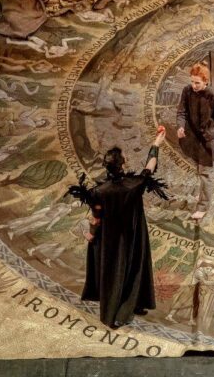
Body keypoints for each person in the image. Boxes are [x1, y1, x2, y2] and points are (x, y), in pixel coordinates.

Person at [68, 126, 168, 329]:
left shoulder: (98, 191)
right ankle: (125, 309)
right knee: (134, 268)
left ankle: (115, 311)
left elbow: (96, 218)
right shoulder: (135, 184)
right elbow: (150, 167)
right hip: (133, 236)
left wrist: (91, 234)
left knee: (113, 272)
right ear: (124, 164)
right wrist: (156, 145)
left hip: (109, 239)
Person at [176, 62, 214, 220]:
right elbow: (181, 112)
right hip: (192, 138)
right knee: (200, 169)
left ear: (206, 81)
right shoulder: (187, 91)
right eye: (192, 81)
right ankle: (204, 192)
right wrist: (180, 126)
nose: (193, 86)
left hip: (208, 141)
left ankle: (203, 206)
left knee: (206, 173)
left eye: (197, 83)